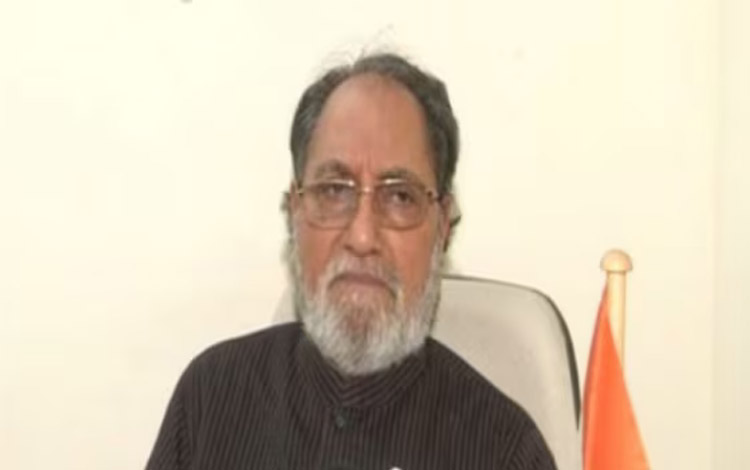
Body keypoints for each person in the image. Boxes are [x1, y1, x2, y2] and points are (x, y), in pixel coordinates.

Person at [146, 52, 557, 470]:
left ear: (442, 228)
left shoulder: (506, 452)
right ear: (294, 213)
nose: (362, 237)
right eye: (334, 191)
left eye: (400, 197)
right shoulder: (210, 400)